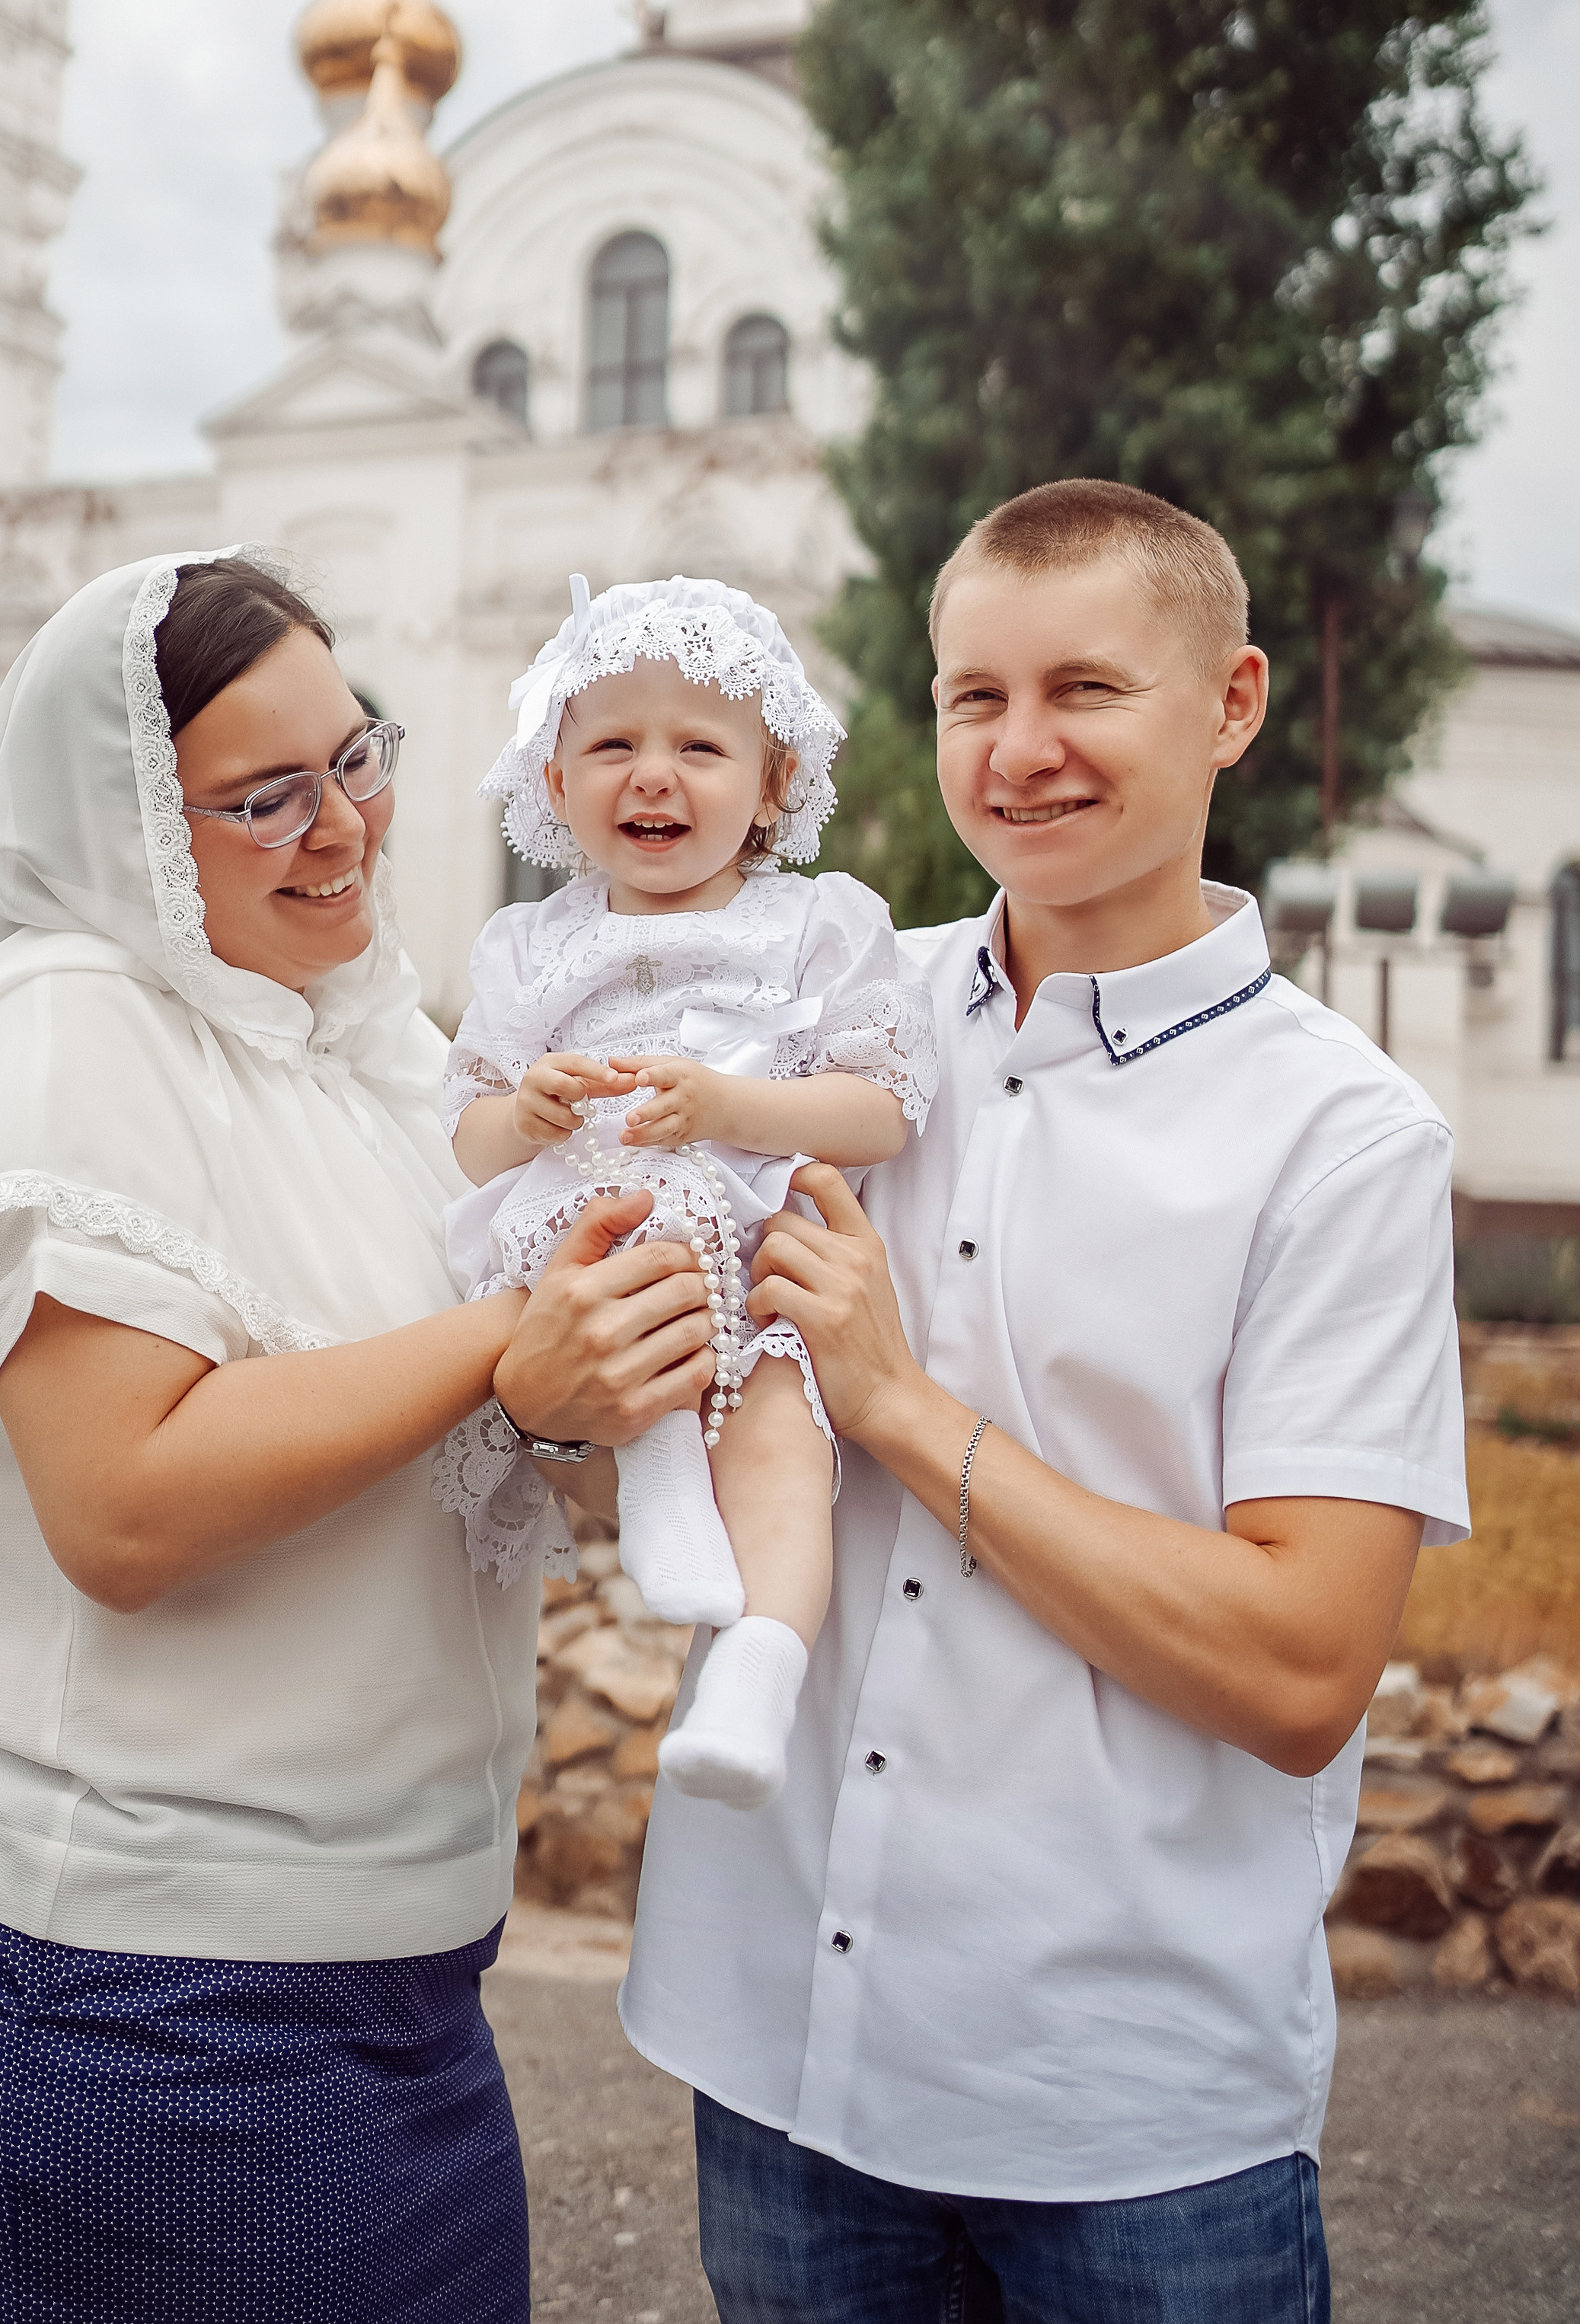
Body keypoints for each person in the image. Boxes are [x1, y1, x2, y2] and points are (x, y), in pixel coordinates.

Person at [0, 547, 713, 2324]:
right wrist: (499, 1350)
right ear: (126, 823)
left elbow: (449, 1413)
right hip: (139, 2005)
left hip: (392, 1976)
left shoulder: (365, 1046)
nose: (344, 829)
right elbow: (124, 1505)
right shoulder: (73, 1034)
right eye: (263, 798)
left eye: (358, 758)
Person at [620, 481, 1470, 2323]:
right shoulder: (809, 1032)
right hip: (775, 2050)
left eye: (1082, 688)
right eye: (969, 697)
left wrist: (899, 1410)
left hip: (1126, 2118)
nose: (1017, 753)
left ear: (1230, 703)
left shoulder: (1338, 1141)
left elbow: (1300, 1672)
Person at [437, 575, 936, 1810]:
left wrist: (731, 1108)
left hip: (763, 1253)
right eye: (611, 744)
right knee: (626, 1261)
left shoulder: (816, 926)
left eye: (699, 747)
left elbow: (886, 1101)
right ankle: (657, 1477)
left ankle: (759, 1677)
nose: (652, 774)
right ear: (555, 784)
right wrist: (529, 1112)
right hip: (602, 1252)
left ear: (773, 783)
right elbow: (468, 1136)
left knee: (778, 1433)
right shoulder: (528, 947)